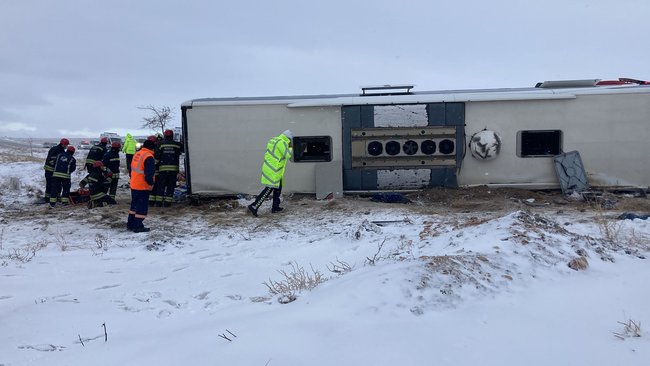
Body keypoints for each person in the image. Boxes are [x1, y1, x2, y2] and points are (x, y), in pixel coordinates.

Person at [248, 130, 293, 217]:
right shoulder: (282, 142)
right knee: (268, 190)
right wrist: (291, 147)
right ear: (288, 139)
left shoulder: (274, 140)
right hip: (274, 170)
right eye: (290, 141)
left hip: (271, 168)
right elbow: (288, 155)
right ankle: (254, 206)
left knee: (278, 188)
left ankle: (275, 207)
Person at [127, 139, 156, 232]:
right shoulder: (149, 157)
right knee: (142, 207)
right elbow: (149, 173)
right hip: (142, 185)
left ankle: (130, 224)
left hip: (134, 184)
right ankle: (138, 226)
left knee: (134, 206)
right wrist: (151, 183)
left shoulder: (137, 154)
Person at [155, 129, 184, 207]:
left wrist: (155, 167)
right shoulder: (177, 144)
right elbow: (184, 150)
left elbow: (157, 157)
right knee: (170, 186)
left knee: (161, 186)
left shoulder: (160, 144)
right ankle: (167, 203)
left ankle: (158, 203)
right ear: (172, 136)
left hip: (162, 170)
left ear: (165, 136)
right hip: (173, 170)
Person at [43, 138, 69, 203]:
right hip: (50, 170)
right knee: (50, 184)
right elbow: (52, 160)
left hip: (53, 171)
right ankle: (47, 198)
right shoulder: (56, 150)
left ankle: (53, 197)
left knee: (56, 185)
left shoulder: (60, 149)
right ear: (63, 144)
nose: (67, 146)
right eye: (66, 145)